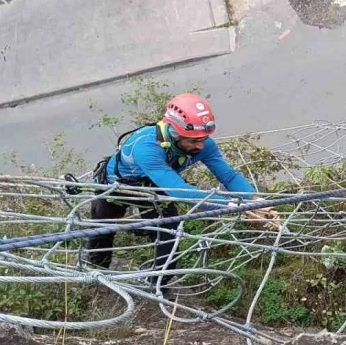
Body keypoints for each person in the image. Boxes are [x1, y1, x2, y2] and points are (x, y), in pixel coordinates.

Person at [84, 93, 259, 274]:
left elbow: (229, 176)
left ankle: (159, 284)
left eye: (203, 139)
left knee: (169, 233)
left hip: (154, 187)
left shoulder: (202, 144)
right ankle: (97, 272)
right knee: (102, 231)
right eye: (193, 140)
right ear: (175, 133)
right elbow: (180, 191)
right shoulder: (147, 147)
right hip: (115, 189)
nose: (200, 146)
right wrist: (234, 205)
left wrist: (256, 201)